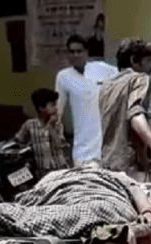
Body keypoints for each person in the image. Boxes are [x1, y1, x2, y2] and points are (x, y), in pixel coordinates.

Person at [98, 38, 151, 182]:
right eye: (149, 60)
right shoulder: (140, 79)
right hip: (132, 170)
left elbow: (119, 130)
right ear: (134, 60)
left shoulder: (106, 86)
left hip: (108, 168)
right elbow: (135, 114)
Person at [55, 35, 118, 167]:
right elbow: (58, 110)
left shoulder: (103, 69)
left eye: (79, 51)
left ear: (86, 52)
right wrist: (58, 133)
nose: (75, 55)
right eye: (72, 52)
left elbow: (124, 81)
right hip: (82, 147)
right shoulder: (63, 77)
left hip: (107, 145)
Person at [14, 88, 72, 178]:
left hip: (59, 168)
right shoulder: (30, 125)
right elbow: (18, 141)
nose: (56, 108)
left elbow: (59, 145)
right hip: (42, 170)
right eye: (52, 105)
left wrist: (50, 127)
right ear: (41, 108)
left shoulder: (58, 125)